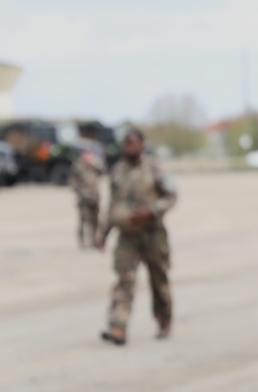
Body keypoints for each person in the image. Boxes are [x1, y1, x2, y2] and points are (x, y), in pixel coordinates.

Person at [96, 129, 177, 346]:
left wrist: (152, 210)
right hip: (127, 237)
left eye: (133, 143)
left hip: (152, 234)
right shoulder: (117, 171)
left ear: (142, 144)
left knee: (158, 281)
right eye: (126, 143)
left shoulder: (154, 169)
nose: (129, 147)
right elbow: (111, 205)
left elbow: (171, 196)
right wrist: (103, 233)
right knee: (124, 281)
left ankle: (164, 321)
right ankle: (118, 327)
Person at [69, 149, 104, 249]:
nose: (87, 157)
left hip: (94, 197)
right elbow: (72, 182)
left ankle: (94, 241)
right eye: (86, 155)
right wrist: (80, 192)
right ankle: (82, 242)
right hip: (83, 198)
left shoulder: (94, 166)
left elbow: (102, 172)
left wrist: (94, 163)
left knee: (96, 221)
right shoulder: (78, 166)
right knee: (83, 221)